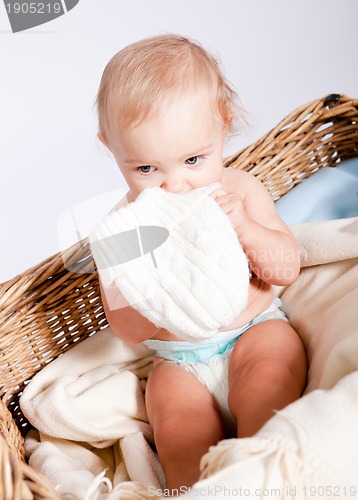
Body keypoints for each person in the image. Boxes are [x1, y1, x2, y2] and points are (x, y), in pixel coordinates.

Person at [95, 34, 307, 492]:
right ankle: (197, 490)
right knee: (177, 429)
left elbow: (285, 268)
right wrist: (142, 282)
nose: (175, 185)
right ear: (110, 147)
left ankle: (260, 475)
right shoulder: (120, 229)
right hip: (179, 361)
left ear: (223, 128)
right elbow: (128, 328)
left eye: (193, 159)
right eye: (146, 170)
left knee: (269, 383)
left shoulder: (241, 190)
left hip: (253, 331)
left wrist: (246, 231)